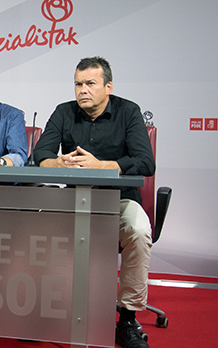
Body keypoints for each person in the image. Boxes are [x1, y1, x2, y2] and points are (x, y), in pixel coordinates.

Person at [32, 57, 155, 348]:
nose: (82, 90)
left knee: (138, 231)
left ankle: (127, 320)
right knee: (33, 226)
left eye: (90, 83)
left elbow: (145, 162)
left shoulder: (129, 111)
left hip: (118, 200)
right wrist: (57, 163)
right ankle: (42, 311)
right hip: (73, 199)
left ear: (108, 86)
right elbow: (40, 155)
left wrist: (102, 166)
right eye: (78, 84)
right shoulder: (64, 112)